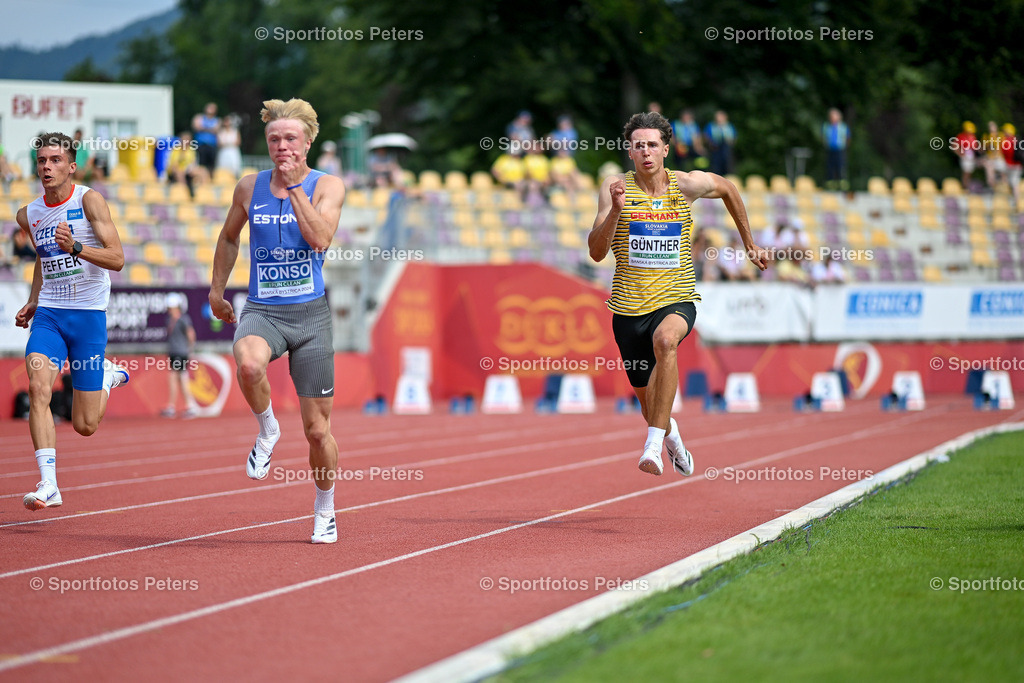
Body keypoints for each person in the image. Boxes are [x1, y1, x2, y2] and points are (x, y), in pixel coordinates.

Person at [589, 111, 767, 477]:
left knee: (666, 341)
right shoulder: (615, 187)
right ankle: (670, 437)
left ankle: (652, 445)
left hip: (676, 297)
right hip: (627, 309)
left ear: (666, 149)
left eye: (652, 145)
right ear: (630, 151)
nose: (646, 152)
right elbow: (595, 251)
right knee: (649, 405)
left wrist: (750, 244)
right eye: (638, 146)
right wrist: (616, 213)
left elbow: (729, 189)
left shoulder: (686, 185)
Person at [208, 98, 346, 544]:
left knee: (318, 430)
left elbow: (321, 238)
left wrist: (296, 190)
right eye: (274, 139)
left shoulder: (329, 186)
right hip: (264, 309)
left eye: (290, 138)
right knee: (247, 364)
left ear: (307, 142)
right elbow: (229, 237)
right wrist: (217, 289)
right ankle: (268, 428)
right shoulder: (249, 187)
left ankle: (324, 508)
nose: (281, 146)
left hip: (310, 316)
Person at [14, 131, 129, 511]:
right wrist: (32, 300)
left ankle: (107, 377)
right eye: (42, 161)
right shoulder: (28, 214)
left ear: (71, 166)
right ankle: (49, 484)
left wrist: (76, 247)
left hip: (88, 317)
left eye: (55, 160)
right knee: (38, 387)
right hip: (49, 315)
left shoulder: (89, 200)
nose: (47, 167)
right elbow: (42, 259)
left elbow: (117, 259)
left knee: (85, 425)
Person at [162, 292, 199, 419]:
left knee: (177, 377)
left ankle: (180, 406)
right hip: (174, 352)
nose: (168, 310)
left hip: (180, 352)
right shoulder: (170, 320)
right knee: (179, 377)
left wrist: (189, 350)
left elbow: (190, 334)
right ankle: (185, 406)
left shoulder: (183, 319)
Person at [821, 108, 850, 191]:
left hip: (840, 149)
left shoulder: (843, 127)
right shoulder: (827, 126)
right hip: (830, 149)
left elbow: (847, 138)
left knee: (840, 166)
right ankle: (830, 185)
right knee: (830, 166)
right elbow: (824, 137)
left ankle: (842, 185)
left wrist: (844, 146)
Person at [192, 102, 220, 175]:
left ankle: (210, 180)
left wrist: (204, 128)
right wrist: (211, 129)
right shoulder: (199, 117)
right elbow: (196, 127)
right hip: (201, 145)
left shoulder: (217, 120)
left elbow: (217, 130)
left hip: (212, 146)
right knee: (201, 164)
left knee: (211, 165)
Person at [704, 110, 736, 176]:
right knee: (716, 167)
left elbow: (733, 138)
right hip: (715, 149)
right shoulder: (711, 125)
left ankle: (729, 176)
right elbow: (706, 136)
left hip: (726, 149)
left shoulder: (729, 126)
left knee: (728, 165)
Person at [1001, 123, 1022, 207]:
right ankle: (1014, 200)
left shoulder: (1006, 141)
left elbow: (1004, 154)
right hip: (1018, 166)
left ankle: (1016, 202)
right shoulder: (1017, 139)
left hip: (1010, 165)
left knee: (1013, 184)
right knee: (1013, 183)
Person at [954, 121, 979, 190]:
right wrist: (961, 154)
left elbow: (975, 148)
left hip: (971, 156)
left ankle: (968, 187)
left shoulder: (973, 137)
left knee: (970, 172)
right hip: (965, 155)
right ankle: (965, 187)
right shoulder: (961, 136)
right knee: (966, 172)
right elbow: (954, 146)